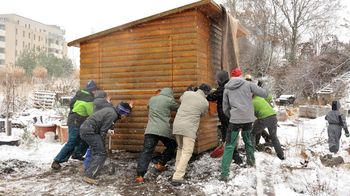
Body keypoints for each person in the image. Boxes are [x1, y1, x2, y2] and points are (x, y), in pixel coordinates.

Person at [220, 67, 268, 182]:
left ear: (232, 76)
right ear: (241, 75)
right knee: (248, 142)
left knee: (230, 146)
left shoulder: (227, 88)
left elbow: (225, 107)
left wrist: (232, 116)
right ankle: (251, 163)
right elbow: (264, 94)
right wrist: (262, 83)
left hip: (234, 120)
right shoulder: (248, 84)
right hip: (247, 120)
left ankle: (224, 174)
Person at [80, 102, 132, 184]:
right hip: (90, 131)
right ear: (122, 112)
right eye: (126, 114)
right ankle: (89, 176)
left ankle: (89, 170)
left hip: (87, 129)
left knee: (96, 152)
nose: (125, 117)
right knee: (101, 153)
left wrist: (110, 129)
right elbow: (103, 131)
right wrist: (103, 144)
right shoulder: (113, 114)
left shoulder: (111, 111)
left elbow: (104, 123)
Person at [135, 88, 179, 183]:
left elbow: (148, 106)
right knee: (172, 145)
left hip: (150, 130)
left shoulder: (152, 99)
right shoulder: (169, 100)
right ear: (170, 94)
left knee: (147, 151)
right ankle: (161, 164)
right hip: (163, 130)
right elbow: (178, 108)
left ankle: (140, 176)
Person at [51, 80, 98, 170]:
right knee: (72, 142)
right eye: (95, 90)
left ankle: (77, 154)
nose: (96, 92)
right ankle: (56, 161)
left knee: (84, 138)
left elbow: (71, 105)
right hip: (75, 121)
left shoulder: (80, 94)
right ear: (92, 90)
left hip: (76, 119)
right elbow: (91, 113)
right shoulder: (88, 99)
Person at [171, 83, 211, 186]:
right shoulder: (205, 102)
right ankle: (177, 177)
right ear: (206, 93)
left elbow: (181, 99)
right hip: (189, 128)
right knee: (187, 152)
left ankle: (176, 169)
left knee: (180, 148)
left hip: (177, 126)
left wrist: (190, 93)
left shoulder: (187, 93)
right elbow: (203, 114)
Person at [207, 70, 242, 164]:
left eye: (218, 80)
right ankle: (233, 156)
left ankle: (236, 158)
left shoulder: (224, 88)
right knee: (230, 137)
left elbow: (211, 97)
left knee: (228, 137)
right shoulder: (231, 86)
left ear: (221, 80)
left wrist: (209, 92)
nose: (216, 81)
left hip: (226, 117)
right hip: (232, 116)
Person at [84, 90, 113, 170]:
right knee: (99, 149)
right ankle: (92, 166)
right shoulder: (105, 104)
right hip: (100, 129)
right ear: (104, 97)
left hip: (94, 128)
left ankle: (87, 165)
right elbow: (111, 113)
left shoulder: (95, 103)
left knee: (92, 147)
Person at [250, 95, 285, 160]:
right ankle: (281, 155)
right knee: (274, 137)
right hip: (273, 117)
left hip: (263, 119)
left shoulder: (251, 102)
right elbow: (269, 96)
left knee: (252, 133)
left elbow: (251, 116)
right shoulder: (260, 97)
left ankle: (252, 152)